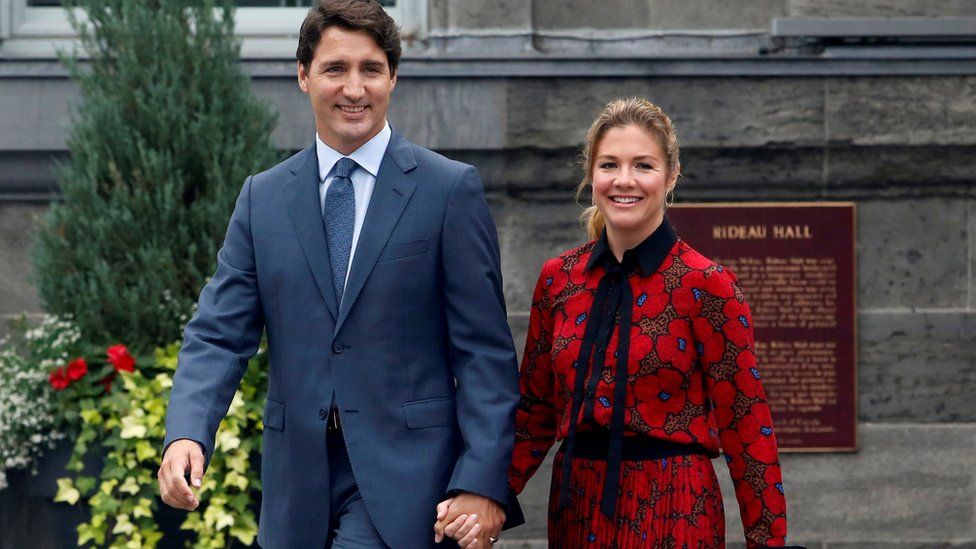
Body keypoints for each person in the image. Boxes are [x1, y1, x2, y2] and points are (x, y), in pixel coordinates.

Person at [156, 1, 520, 547]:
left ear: (392, 76)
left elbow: (484, 355)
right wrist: (186, 432)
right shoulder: (264, 198)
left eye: (371, 69)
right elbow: (218, 332)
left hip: (406, 481)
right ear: (304, 76)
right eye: (335, 69)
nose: (355, 88)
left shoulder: (448, 190)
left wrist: (483, 482)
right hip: (295, 486)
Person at [444, 97, 794, 548]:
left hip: (676, 508)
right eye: (610, 164)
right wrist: (484, 492)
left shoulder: (706, 284)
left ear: (670, 178)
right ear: (592, 176)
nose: (624, 180)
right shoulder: (559, 280)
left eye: (643, 166)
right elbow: (534, 411)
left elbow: (747, 424)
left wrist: (768, 542)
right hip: (577, 507)